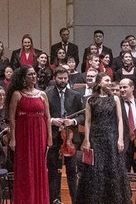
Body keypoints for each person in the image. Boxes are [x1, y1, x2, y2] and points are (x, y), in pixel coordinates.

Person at [78, 74, 130, 204]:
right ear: (99, 83)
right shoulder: (91, 100)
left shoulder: (115, 99)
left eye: (110, 80)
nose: (110, 82)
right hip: (96, 138)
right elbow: (88, 122)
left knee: (112, 168)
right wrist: (87, 140)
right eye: (107, 80)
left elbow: (119, 120)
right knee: (96, 170)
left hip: (111, 138)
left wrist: (120, 139)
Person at [8, 66, 52, 204]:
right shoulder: (17, 94)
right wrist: (13, 139)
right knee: (25, 168)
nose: (33, 76)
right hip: (23, 135)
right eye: (30, 74)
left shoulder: (42, 94)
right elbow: (12, 118)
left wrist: (49, 137)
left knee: (39, 167)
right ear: (24, 78)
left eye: (34, 74)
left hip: (40, 134)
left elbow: (47, 117)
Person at [48, 67, 84, 204]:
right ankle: (54, 199)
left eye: (65, 78)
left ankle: (75, 200)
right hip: (54, 138)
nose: (63, 81)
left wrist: (73, 121)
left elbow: (82, 115)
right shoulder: (47, 94)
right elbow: (44, 115)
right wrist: (52, 120)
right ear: (54, 78)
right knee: (53, 171)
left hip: (70, 139)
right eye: (60, 78)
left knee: (71, 172)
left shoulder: (75, 95)